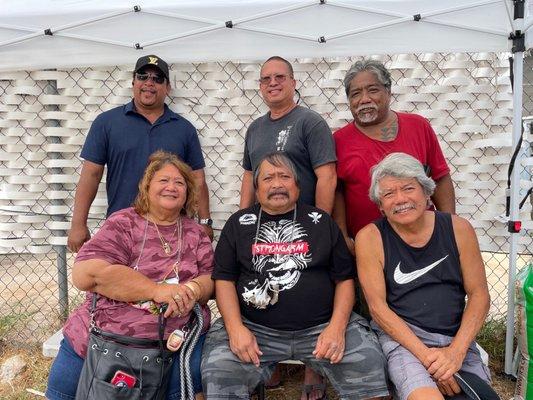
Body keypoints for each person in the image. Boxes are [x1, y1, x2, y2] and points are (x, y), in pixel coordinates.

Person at [202, 152, 389, 400]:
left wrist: (336, 327)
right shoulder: (238, 224)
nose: (277, 184)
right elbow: (224, 279)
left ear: (298, 187)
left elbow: (344, 279)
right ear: (257, 190)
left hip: (321, 328)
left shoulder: (321, 222)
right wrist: (235, 329)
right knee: (220, 367)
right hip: (254, 328)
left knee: (368, 362)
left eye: (284, 177)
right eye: (268, 178)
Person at [46, 151, 214, 400]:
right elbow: (85, 274)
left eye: (179, 183)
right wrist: (156, 291)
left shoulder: (195, 233)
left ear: (188, 192)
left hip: (173, 341)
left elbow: (211, 278)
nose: (172, 187)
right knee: (64, 388)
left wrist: (193, 290)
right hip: (104, 335)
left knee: (193, 377)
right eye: (163, 181)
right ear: (147, 187)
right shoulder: (123, 223)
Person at [355, 152, 491, 400]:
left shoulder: (459, 229)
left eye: (409, 188)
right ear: (380, 206)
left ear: (427, 192)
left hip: (455, 337)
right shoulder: (370, 238)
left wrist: (455, 353)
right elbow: (378, 309)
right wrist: (431, 360)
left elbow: (479, 294)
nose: (400, 199)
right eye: (388, 194)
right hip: (405, 340)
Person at [240, 55, 337, 399]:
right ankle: (274, 361)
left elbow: (327, 174)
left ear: (294, 82)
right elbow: (249, 177)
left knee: (313, 286)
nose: (272, 83)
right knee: (268, 285)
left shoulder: (310, 122)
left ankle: (315, 364)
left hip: (304, 223)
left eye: (280, 77)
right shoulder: (255, 128)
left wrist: (320, 224)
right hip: (266, 226)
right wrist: (243, 221)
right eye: (265, 79)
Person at [68, 54, 213, 252]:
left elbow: (197, 179)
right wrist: (78, 223)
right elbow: (91, 175)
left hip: (171, 230)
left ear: (167, 87)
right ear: (133, 82)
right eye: (143, 76)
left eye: (157, 79)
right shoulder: (106, 123)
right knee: (121, 282)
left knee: (169, 282)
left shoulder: (184, 129)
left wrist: (204, 221)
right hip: (122, 229)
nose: (149, 83)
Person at [333, 59, 455, 250]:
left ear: (388, 92)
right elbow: (337, 191)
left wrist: (449, 226)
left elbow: (440, 177)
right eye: (356, 93)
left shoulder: (418, 126)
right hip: (368, 247)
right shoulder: (339, 140)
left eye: (373, 90)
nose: (364, 99)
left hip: (423, 240)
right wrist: (342, 237)